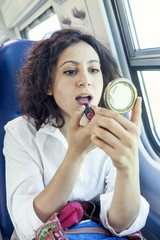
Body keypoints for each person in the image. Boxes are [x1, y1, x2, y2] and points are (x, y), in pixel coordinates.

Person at [3, 28, 149, 240]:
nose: (85, 81)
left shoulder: (114, 129)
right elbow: (27, 228)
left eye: (94, 70)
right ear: (48, 85)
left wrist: (127, 165)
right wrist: (76, 154)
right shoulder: (20, 133)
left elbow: (121, 226)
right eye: (71, 71)